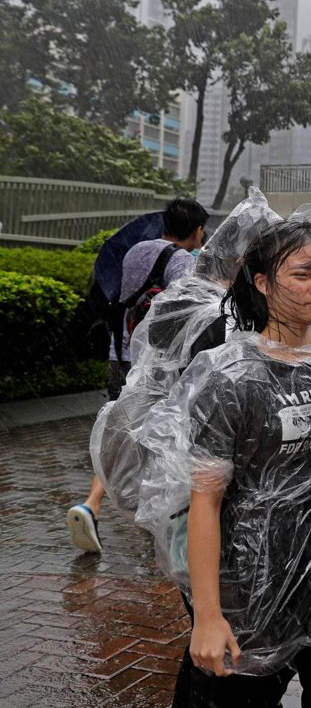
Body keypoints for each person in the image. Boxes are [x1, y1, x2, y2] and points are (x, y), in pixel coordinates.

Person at [154, 220, 311, 708]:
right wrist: (206, 615)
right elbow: (205, 502)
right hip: (252, 580)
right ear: (261, 283)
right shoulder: (230, 376)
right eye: (303, 274)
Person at [68, 197, 207, 555]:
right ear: (196, 230)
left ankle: (92, 505)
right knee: (163, 438)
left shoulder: (137, 250)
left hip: (120, 354)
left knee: (121, 432)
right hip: (155, 366)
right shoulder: (181, 261)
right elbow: (184, 314)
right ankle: (160, 520)